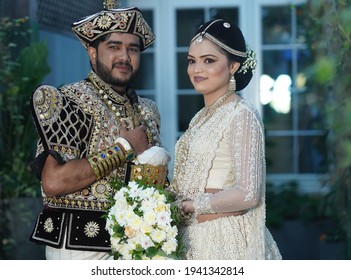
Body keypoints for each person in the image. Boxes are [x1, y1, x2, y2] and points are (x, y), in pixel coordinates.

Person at [28, 1, 169, 260]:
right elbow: (53, 182)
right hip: (79, 248)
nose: (124, 57)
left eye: (133, 49)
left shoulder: (148, 111)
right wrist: (124, 148)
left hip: (139, 245)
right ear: (92, 52)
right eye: (114, 47)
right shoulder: (70, 101)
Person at [170, 19, 282, 260]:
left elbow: (248, 193)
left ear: (233, 66)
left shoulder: (241, 114)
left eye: (208, 61)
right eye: (192, 61)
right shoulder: (200, 118)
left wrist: (189, 206)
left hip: (223, 241)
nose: (196, 69)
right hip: (190, 237)